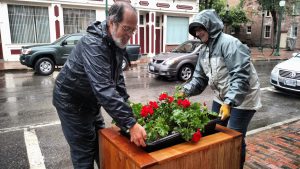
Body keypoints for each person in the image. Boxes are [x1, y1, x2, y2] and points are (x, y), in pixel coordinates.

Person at [52, 2, 147, 169]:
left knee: (101, 145)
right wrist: (131, 123)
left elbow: (117, 79)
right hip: (71, 103)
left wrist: (126, 110)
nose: (129, 34)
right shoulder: (93, 43)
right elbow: (104, 88)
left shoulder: (116, 42)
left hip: (90, 102)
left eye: (133, 30)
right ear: (112, 23)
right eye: (126, 28)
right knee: (84, 151)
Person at [181, 9, 261, 169]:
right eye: (195, 30)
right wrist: (185, 91)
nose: (197, 32)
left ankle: (236, 164)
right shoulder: (203, 50)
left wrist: (230, 102)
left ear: (211, 26)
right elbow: (199, 78)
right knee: (216, 132)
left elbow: (240, 76)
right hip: (222, 97)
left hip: (243, 99)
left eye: (200, 28)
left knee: (233, 137)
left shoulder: (229, 44)